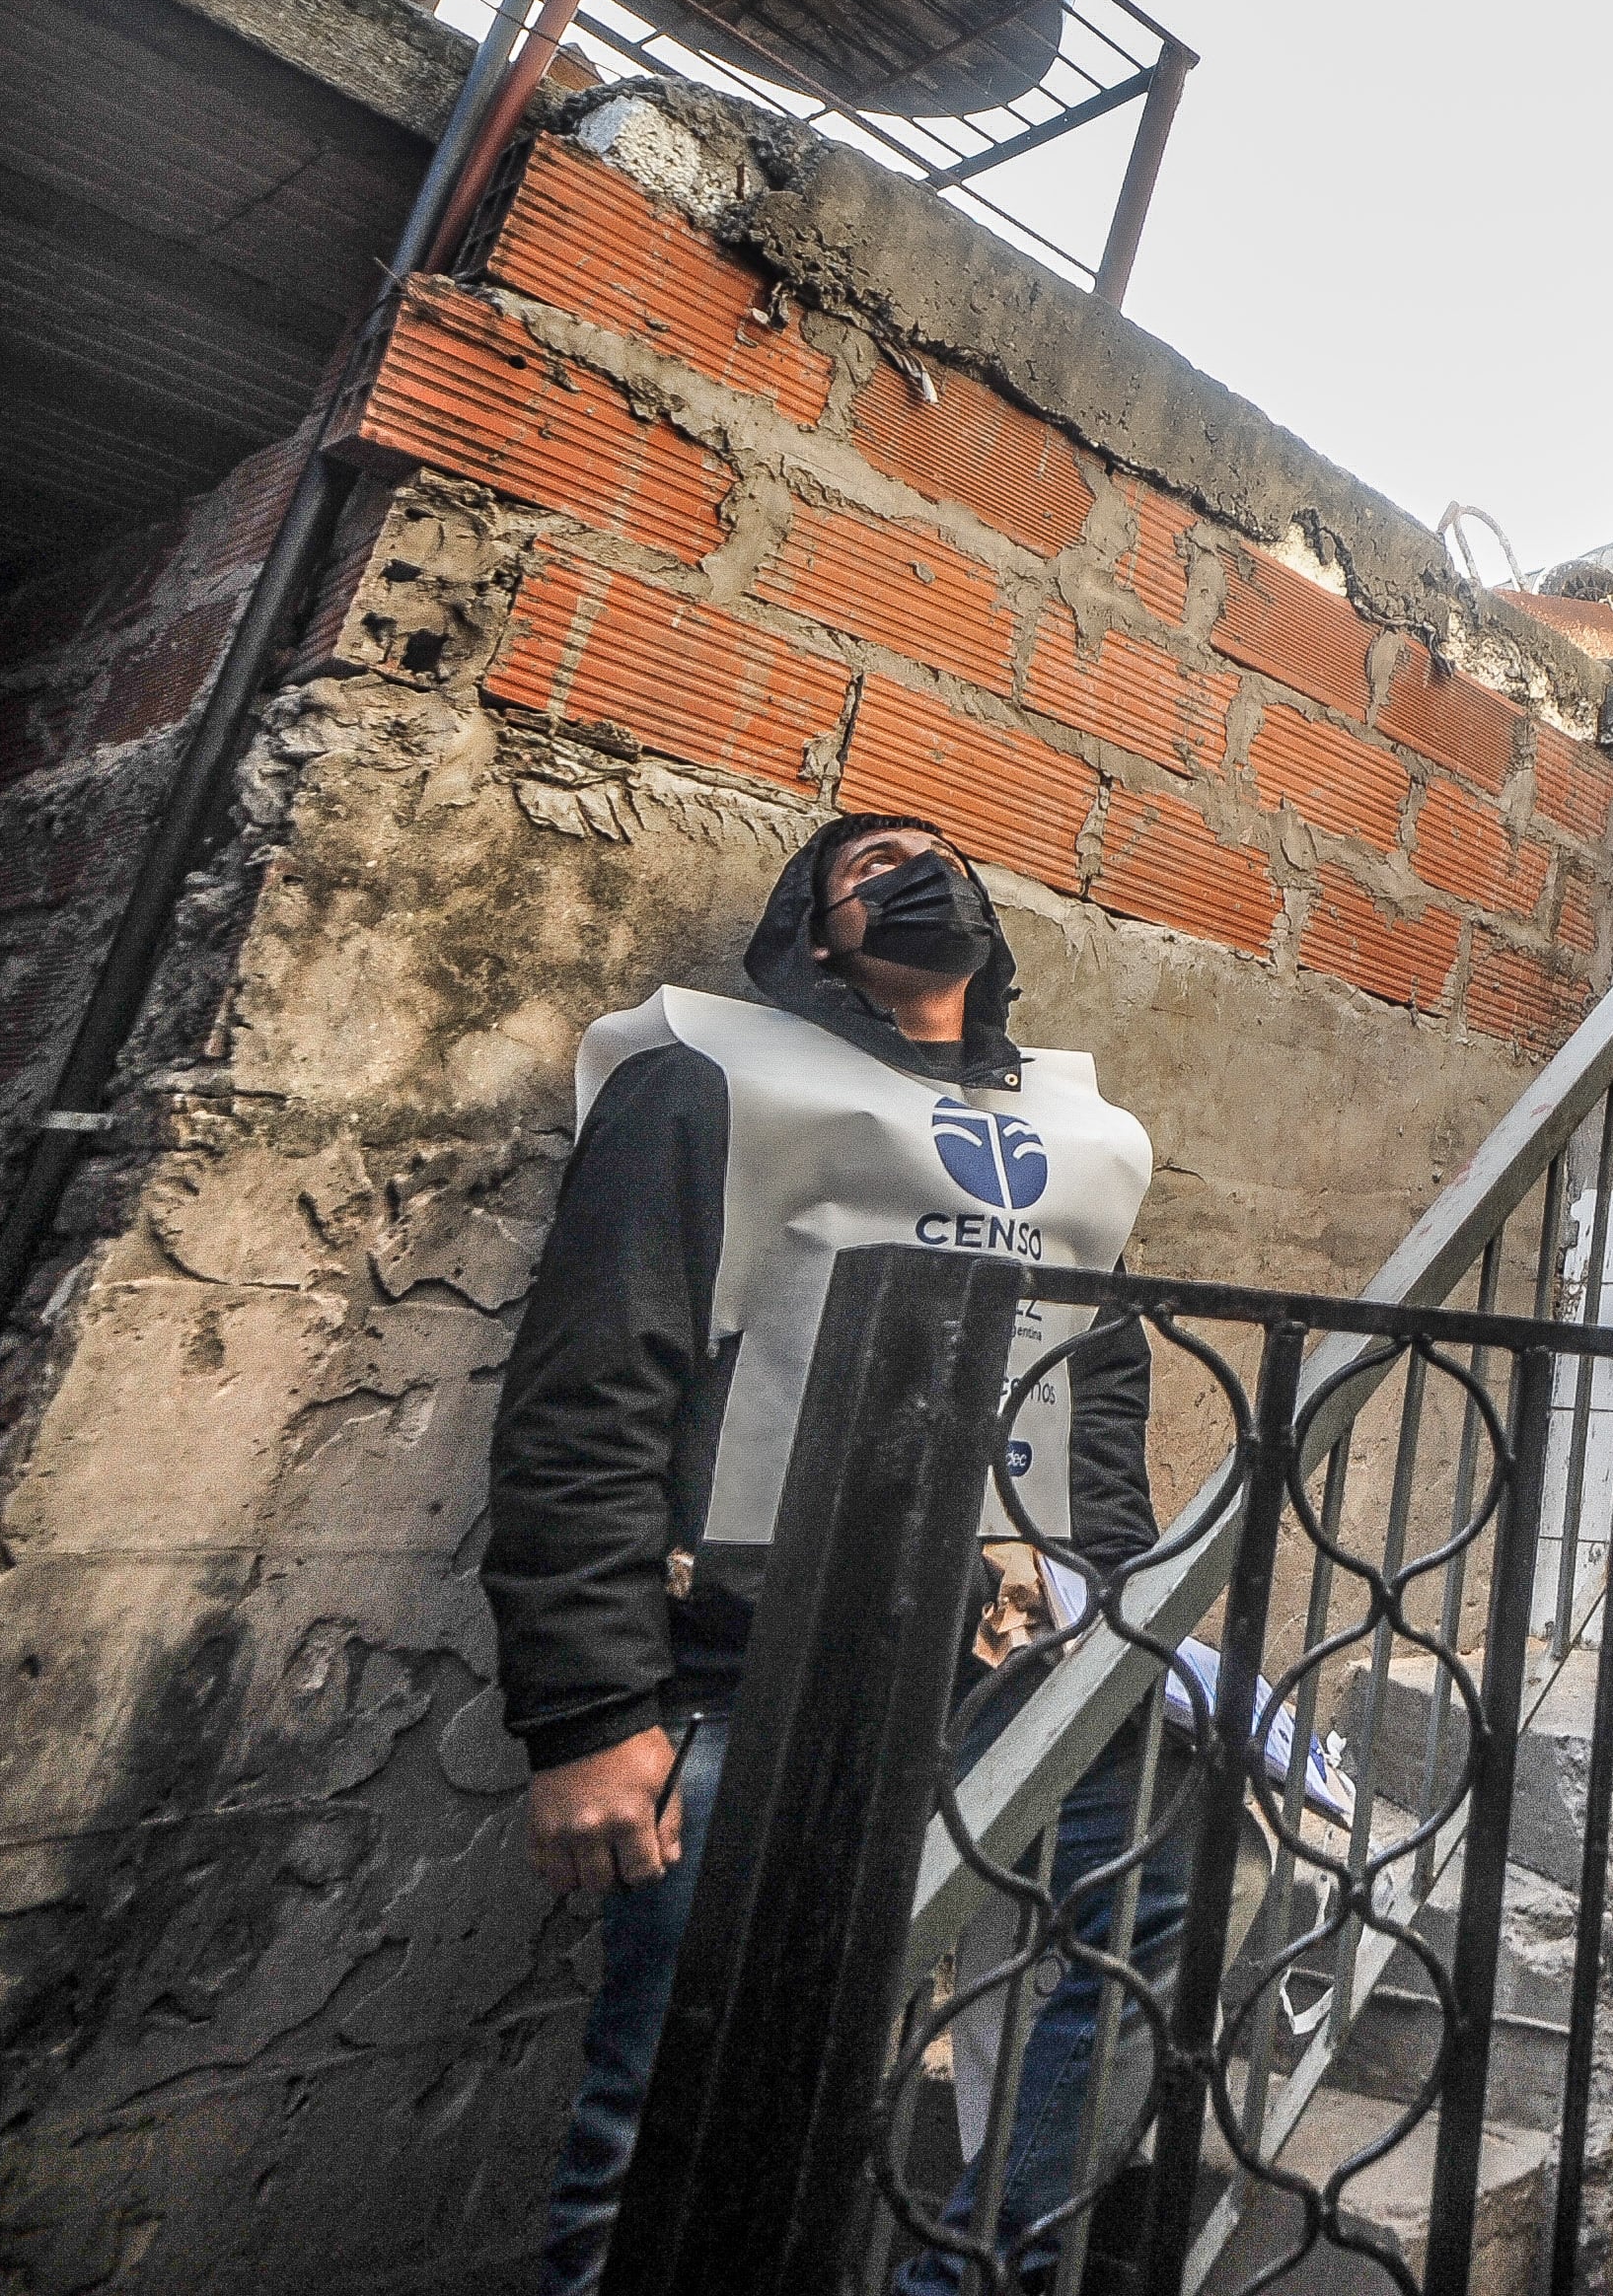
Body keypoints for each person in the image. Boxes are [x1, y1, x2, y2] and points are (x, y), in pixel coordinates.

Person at [485, 814, 1181, 2294]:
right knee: (680, 2106)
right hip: (754, 1659)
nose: (920, 874)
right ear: (813, 930)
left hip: (1015, 1660)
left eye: (944, 856)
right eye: (873, 868)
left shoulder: (1082, 1139)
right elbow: (596, 1379)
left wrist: (1117, 1617)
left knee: (1134, 1935)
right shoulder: (711, 1080)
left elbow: (1099, 1404)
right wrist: (591, 1711)